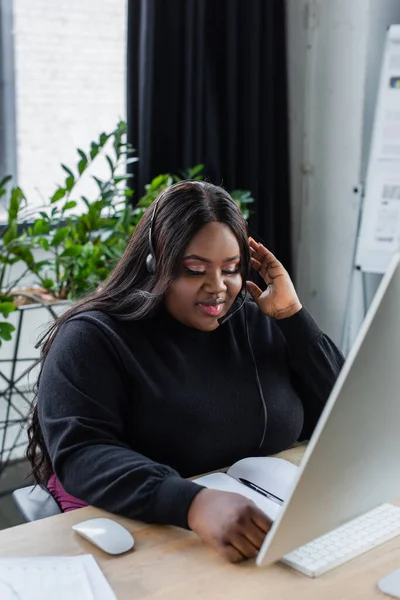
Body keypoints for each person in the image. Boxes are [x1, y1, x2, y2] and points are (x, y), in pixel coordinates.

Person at [27, 181, 344, 564]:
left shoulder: (253, 317)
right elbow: (82, 452)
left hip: (262, 525)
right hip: (153, 534)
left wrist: (294, 319)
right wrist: (192, 503)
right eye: (195, 270)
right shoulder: (93, 337)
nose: (218, 288)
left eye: (231, 269)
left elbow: (342, 412)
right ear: (154, 263)